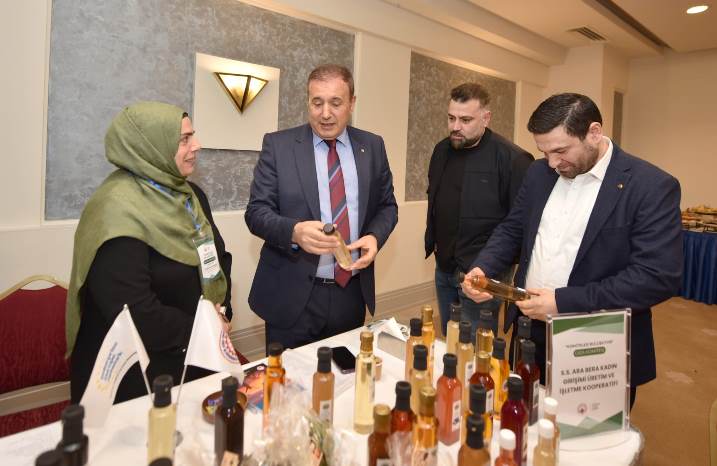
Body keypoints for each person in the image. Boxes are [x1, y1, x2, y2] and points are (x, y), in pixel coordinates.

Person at [462, 93, 682, 407]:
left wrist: (563, 302)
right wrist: (485, 265)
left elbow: (656, 277)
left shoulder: (651, 186)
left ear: (594, 133)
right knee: (522, 413)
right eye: (545, 152)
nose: (552, 163)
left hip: (595, 341)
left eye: (561, 151)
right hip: (529, 329)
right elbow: (513, 229)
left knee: (585, 430)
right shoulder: (539, 173)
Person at [66, 101, 233, 403]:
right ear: (152, 145)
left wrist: (221, 310)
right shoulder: (116, 209)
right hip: (136, 375)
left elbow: (219, 259)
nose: (197, 145)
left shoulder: (191, 196)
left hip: (195, 356)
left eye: (193, 135)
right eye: (184, 139)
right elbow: (134, 311)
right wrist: (205, 327)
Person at [245, 64, 398, 350]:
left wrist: (374, 237)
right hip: (291, 295)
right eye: (317, 103)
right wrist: (294, 232)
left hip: (350, 293)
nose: (325, 113)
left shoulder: (372, 146)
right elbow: (256, 213)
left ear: (352, 103)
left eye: (335, 103)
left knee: (345, 374)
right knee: (286, 378)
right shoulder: (278, 146)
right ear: (308, 102)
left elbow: (387, 206)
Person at [424, 83, 533, 336]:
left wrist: (491, 268)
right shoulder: (441, 150)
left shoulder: (513, 159)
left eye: (465, 120)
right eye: (451, 118)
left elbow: (518, 225)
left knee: (474, 345)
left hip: (485, 271)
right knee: (450, 337)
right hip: (445, 266)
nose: (455, 126)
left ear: (486, 118)